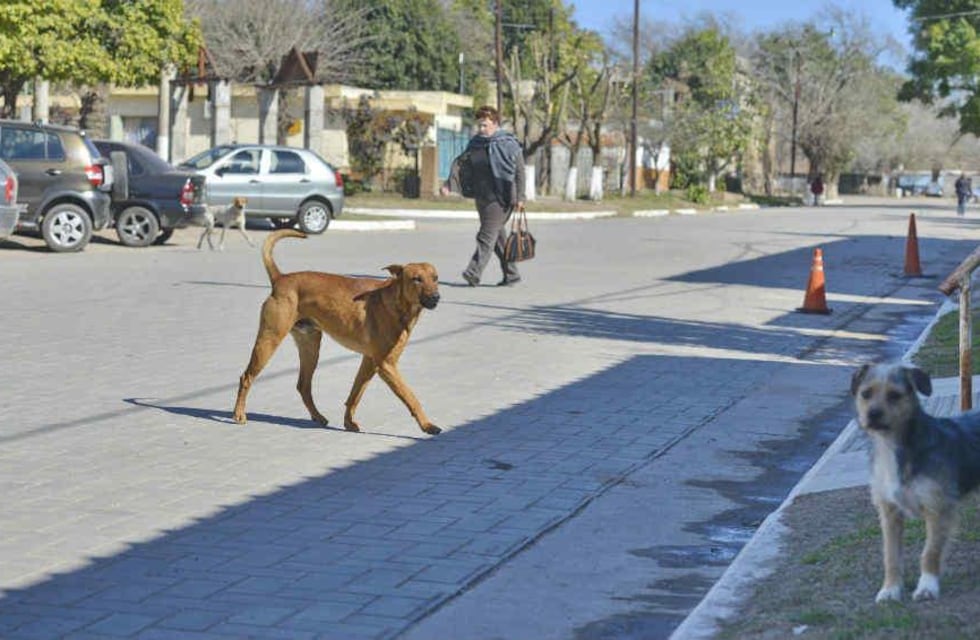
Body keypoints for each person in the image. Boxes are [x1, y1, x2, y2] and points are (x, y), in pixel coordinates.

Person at [441, 105, 525, 287]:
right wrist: (449, 183)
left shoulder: (509, 144)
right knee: (497, 238)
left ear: (495, 124)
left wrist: (521, 197)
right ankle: (511, 274)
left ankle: (473, 272)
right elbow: (461, 163)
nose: (481, 129)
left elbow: (520, 172)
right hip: (482, 197)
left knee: (486, 235)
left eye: (485, 125)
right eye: (479, 125)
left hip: (501, 197)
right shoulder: (476, 143)